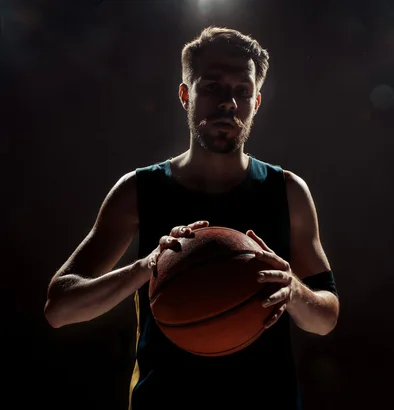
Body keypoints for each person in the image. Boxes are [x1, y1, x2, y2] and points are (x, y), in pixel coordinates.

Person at [43, 26, 340, 410]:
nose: (229, 102)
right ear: (186, 94)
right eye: (213, 86)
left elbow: (326, 316)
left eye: (242, 91)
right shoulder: (140, 189)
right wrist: (143, 268)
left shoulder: (287, 191)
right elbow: (59, 308)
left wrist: (294, 290)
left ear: (257, 101)